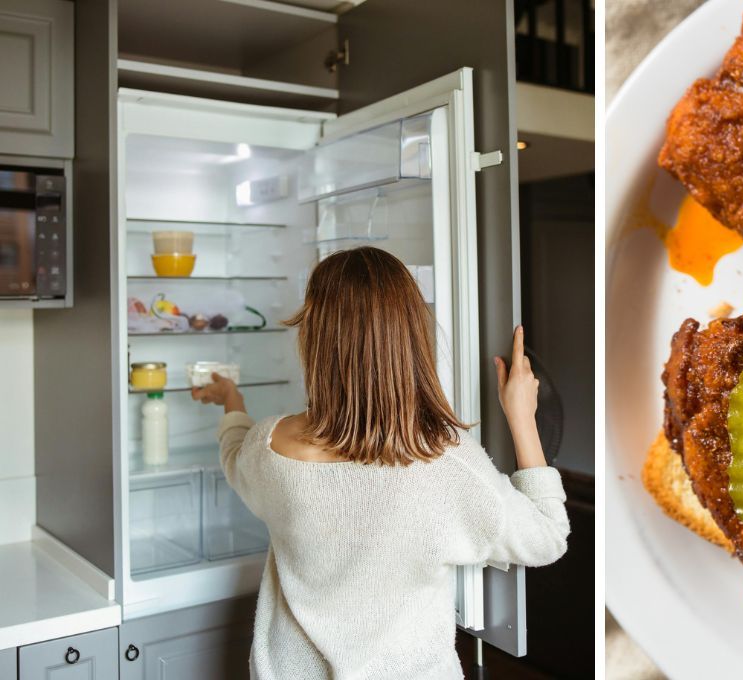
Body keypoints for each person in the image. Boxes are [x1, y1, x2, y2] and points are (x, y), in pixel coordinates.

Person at [191, 246, 569, 679]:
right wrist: (522, 417)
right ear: (410, 336)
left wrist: (231, 401)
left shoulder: (272, 446)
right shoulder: (444, 460)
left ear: (313, 339)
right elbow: (547, 538)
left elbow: (235, 455)